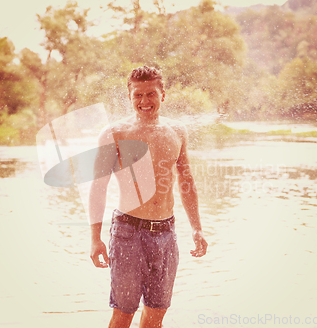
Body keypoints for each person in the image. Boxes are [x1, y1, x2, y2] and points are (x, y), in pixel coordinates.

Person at [88, 66, 208, 328]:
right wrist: (95, 239)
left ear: (163, 94)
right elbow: (98, 187)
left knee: (156, 315)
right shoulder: (115, 133)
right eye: (138, 95)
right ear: (129, 96)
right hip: (128, 232)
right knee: (124, 313)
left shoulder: (177, 132)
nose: (144, 101)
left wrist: (197, 228)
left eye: (151, 94)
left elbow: (186, 181)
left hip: (166, 233)